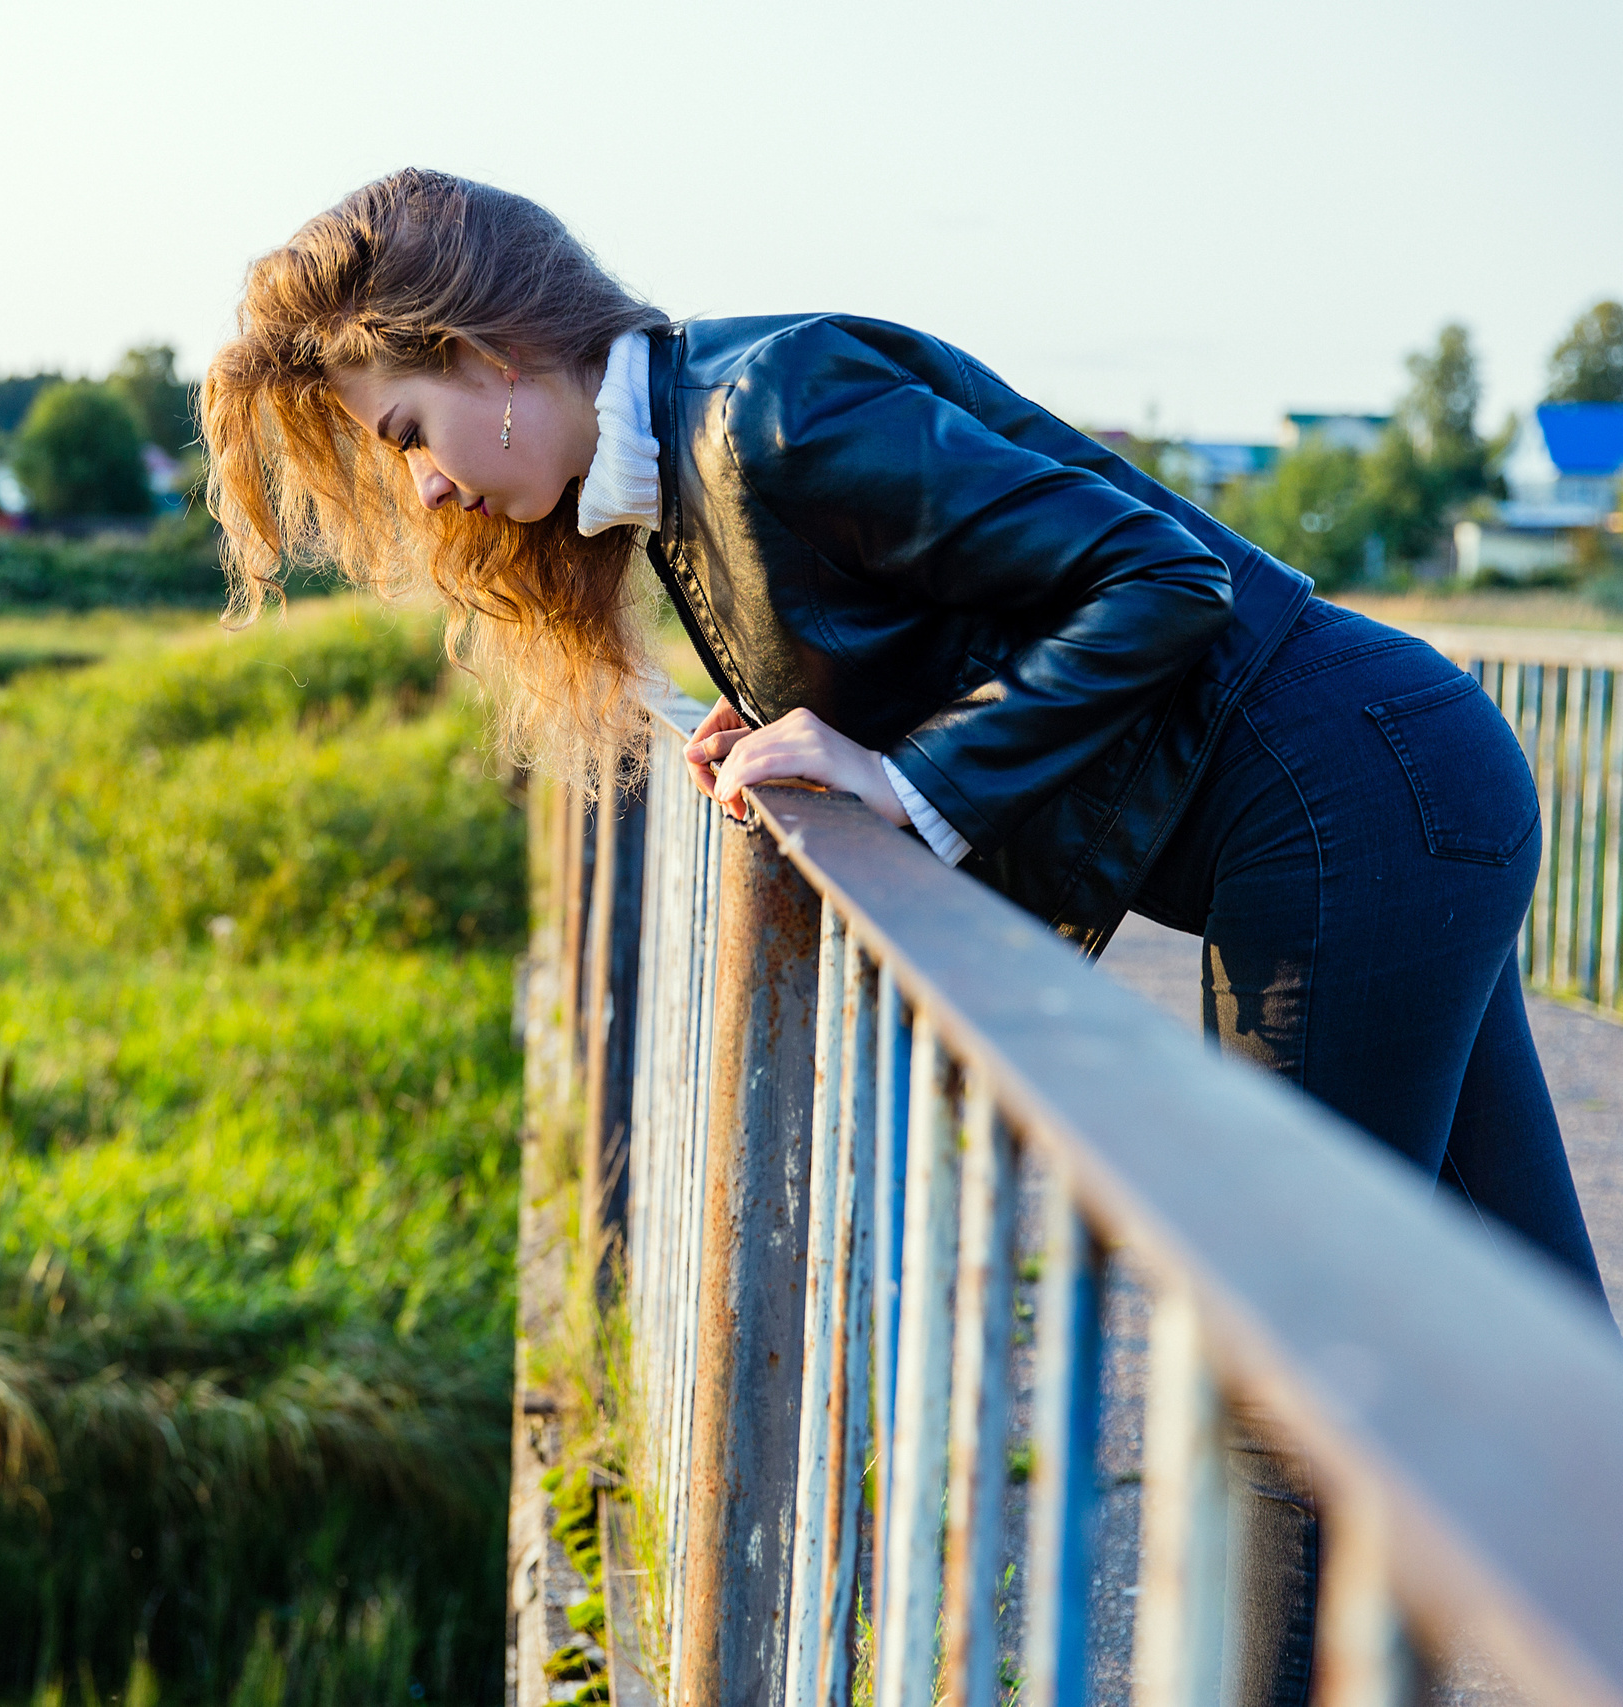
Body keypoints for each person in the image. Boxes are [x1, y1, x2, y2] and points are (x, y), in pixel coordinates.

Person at [199, 166, 1610, 1705]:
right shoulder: (692, 455)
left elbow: (1160, 578)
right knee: (1542, 1340)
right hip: (1385, 785)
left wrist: (905, 774)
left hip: (1355, 797)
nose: (424, 491)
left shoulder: (767, 409)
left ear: (483, 353)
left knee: (1287, 1375)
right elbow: (971, 610)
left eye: (404, 430)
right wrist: (827, 726)